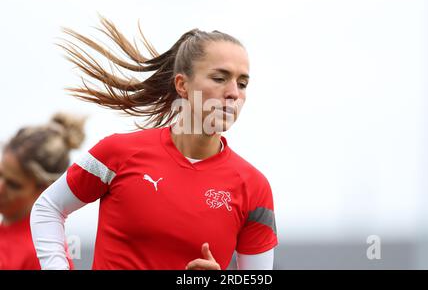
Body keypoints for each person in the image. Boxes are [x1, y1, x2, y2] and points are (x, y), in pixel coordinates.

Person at [30, 17, 278, 270]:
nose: (234, 93)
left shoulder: (254, 188)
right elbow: (47, 208)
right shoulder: (117, 153)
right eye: (219, 78)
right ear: (182, 85)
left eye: (242, 83)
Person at [0, 113, 85, 269]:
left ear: (45, 189)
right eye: (0, 174)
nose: (0, 187)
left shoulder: (43, 255)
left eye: (14, 185)